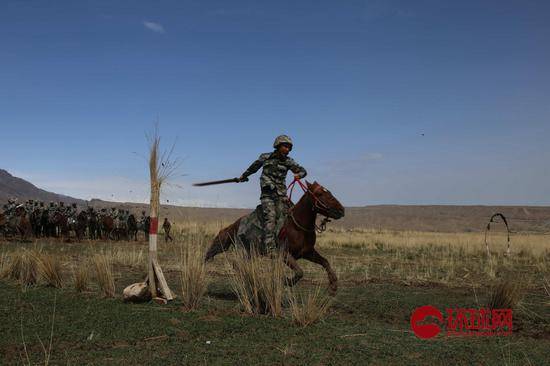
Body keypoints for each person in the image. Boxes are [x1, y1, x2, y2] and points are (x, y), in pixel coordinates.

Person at [238, 135, 307, 253]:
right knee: (271, 219)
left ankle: (292, 244)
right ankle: (270, 249)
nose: (288, 149)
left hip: (282, 195)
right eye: (285, 146)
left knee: (293, 216)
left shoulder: (289, 161)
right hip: (268, 196)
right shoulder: (265, 157)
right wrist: (244, 176)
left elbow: (303, 171)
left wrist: (298, 175)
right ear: (278, 146)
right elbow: (253, 168)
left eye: (289, 148)